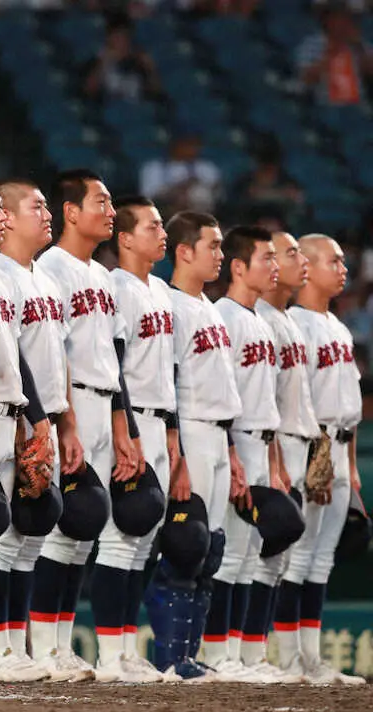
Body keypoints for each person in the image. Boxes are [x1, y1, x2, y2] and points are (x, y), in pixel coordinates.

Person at [35, 169, 139, 681]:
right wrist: (65, 420)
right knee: (58, 528)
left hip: (102, 404)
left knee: (83, 530)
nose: (110, 210)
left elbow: (114, 359)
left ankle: (59, 643)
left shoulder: (102, 275)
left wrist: (123, 426)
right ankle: (41, 647)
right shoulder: (51, 267)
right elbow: (51, 352)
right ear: (70, 211)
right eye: (100, 200)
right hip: (69, 406)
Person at [0, 179, 69, 682]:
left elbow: (38, 360)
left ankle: (11, 647)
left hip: (25, 415)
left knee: (26, 535)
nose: (45, 214)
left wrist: (48, 420)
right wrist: (35, 419)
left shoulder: (34, 280)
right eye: (38, 205)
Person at [164, 210, 247, 683]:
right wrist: (176, 453)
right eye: (212, 246)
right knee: (185, 546)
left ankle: (189, 655)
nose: (220, 254)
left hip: (217, 432)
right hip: (191, 428)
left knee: (210, 549)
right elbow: (169, 381)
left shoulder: (211, 309)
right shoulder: (172, 306)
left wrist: (233, 452)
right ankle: (172, 655)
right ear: (185, 251)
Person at [102, 196, 182, 680]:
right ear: (126, 238)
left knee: (144, 541)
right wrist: (126, 429)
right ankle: (111, 653)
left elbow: (169, 372)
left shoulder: (163, 291)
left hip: (159, 419)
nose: (162, 233)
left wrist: (172, 435)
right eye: (152, 226)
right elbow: (115, 363)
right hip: (131, 420)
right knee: (120, 538)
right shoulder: (118, 287)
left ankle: (127, 650)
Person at [283, 234, 365, 686]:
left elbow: (348, 404)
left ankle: (311, 660)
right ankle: (290, 658)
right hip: (310, 448)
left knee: (321, 560)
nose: (343, 267)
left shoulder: (338, 326)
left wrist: (350, 468)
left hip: (338, 444)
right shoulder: (295, 323)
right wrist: (317, 456)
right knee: (296, 557)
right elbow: (297, 399)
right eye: (333, 260)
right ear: (308, 269)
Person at [207, 225, 285, 683]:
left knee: (251, 554)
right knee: (231, 553)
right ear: (239, 267)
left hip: (262, 442)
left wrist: (272, 462)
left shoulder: (259, 320)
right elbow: (223, 394)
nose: (273, 266)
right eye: (265, 258)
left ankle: (240, 655)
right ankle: (221, 654)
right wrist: (233, 454)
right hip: (234, 441)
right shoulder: (224, 317)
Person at [255, 231, 321, 681]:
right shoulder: (260, 318)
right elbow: (266, 400)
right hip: (273, 446)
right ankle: (253, 653)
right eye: (290, 253)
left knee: (283, 559)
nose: (298, 261)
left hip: (298, 443)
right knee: (262, 554)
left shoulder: (286, 319)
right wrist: (276, 459)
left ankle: (277, 656)